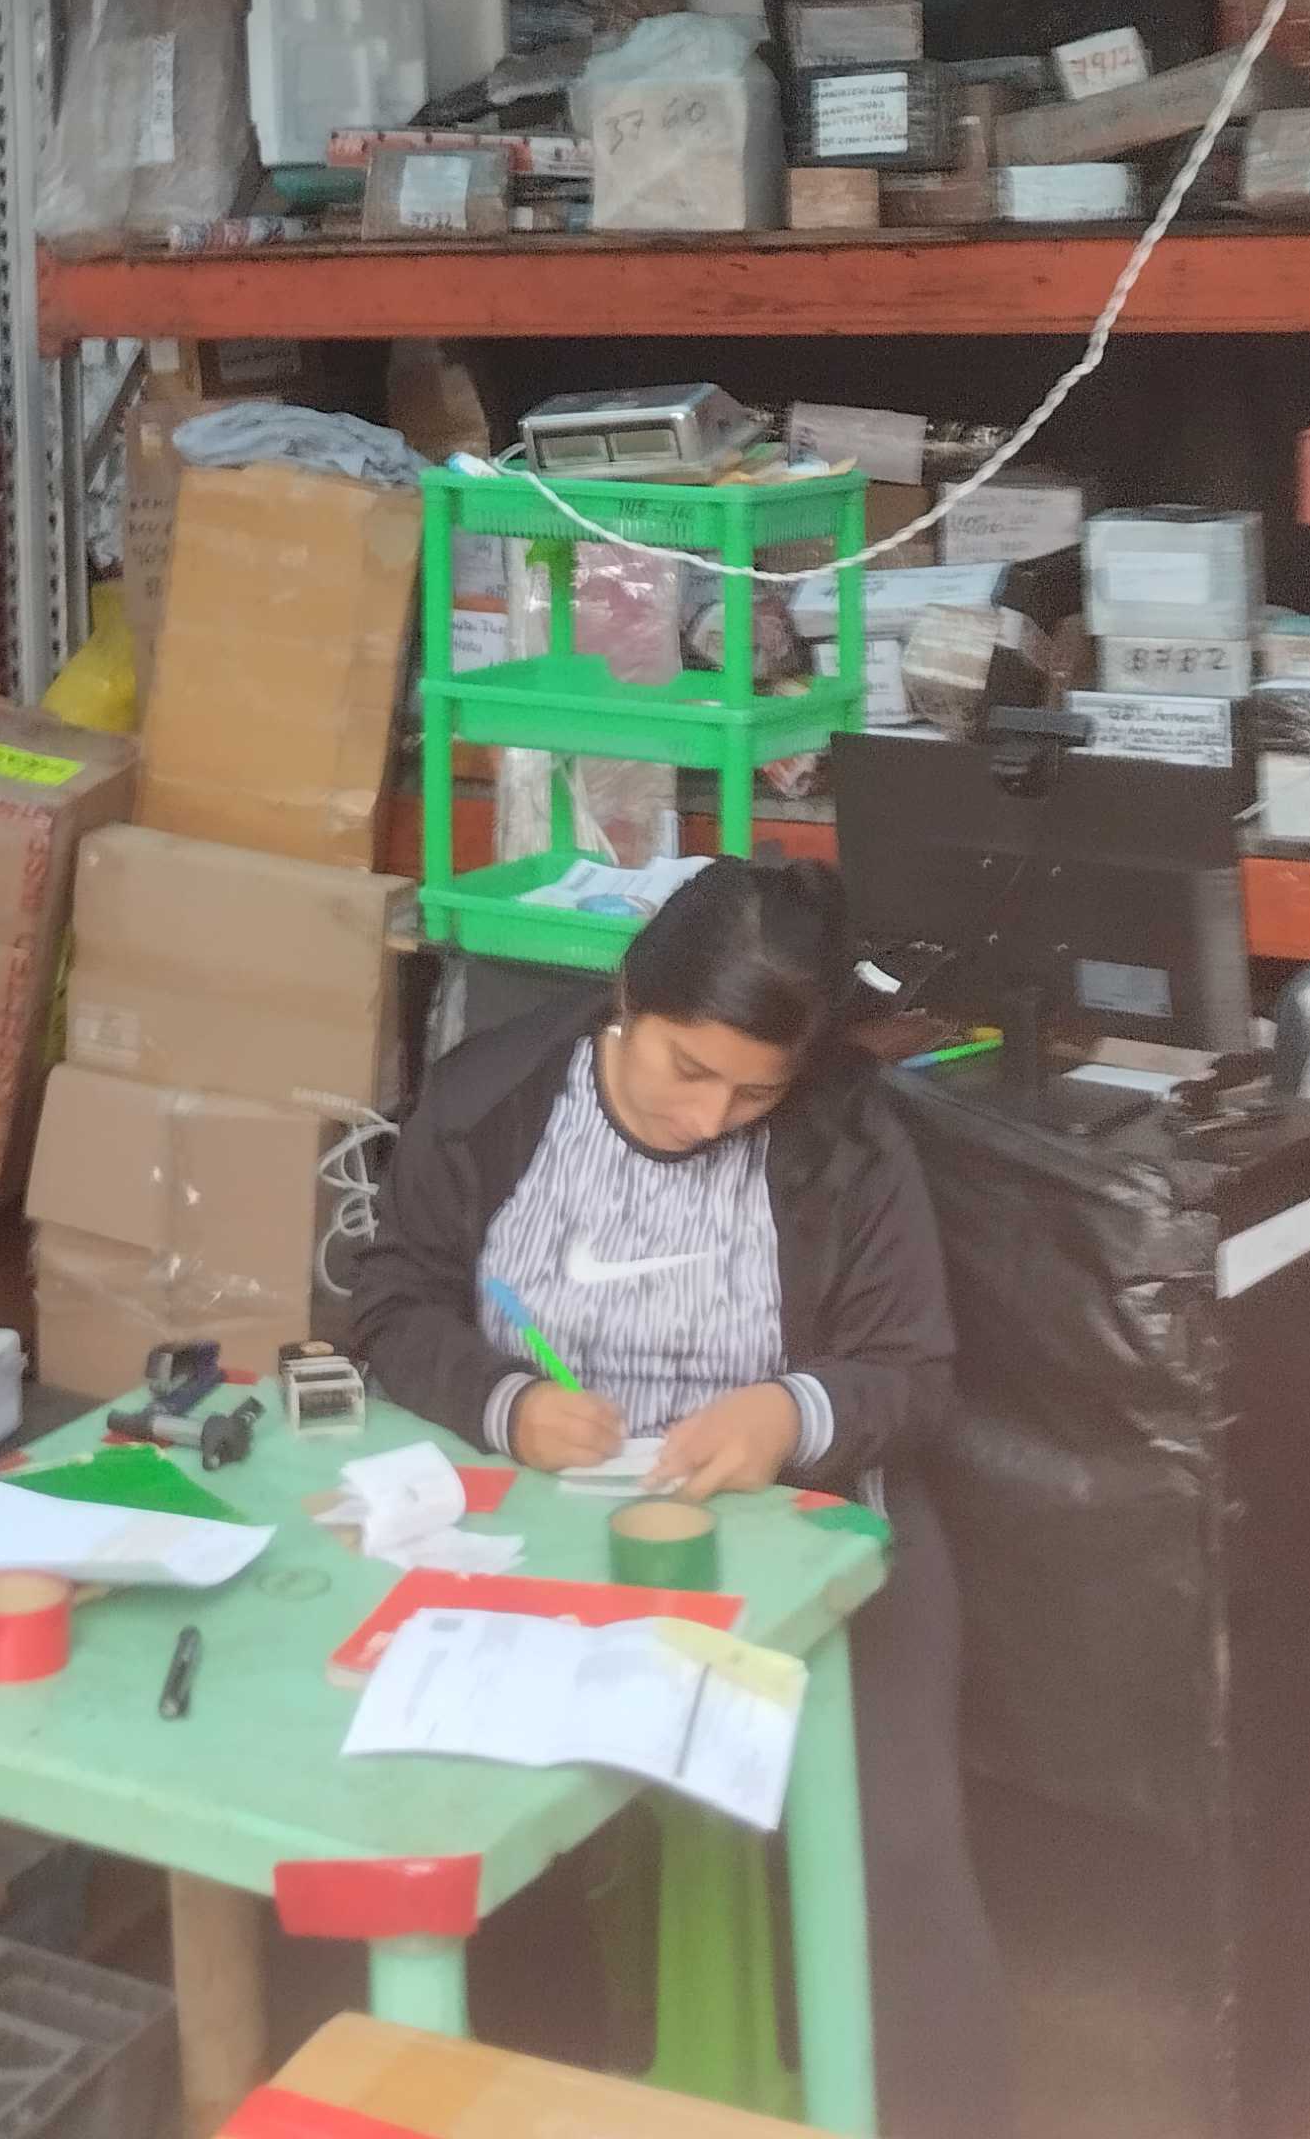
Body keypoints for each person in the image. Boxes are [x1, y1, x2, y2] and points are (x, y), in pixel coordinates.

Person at [349, 856, 1015, 2139]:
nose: (710, 1118)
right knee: (491, 1816)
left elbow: (913, 1372)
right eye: (686, 1069)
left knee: (895, 1848)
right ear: (627, 999)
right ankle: (547, 2098)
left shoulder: (847, 1138)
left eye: (753, 1093)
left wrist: (789, 1414)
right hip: (553, 1523)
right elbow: (393, 1298)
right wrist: (502, 1401)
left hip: (813, 1533)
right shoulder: (495, 1096)